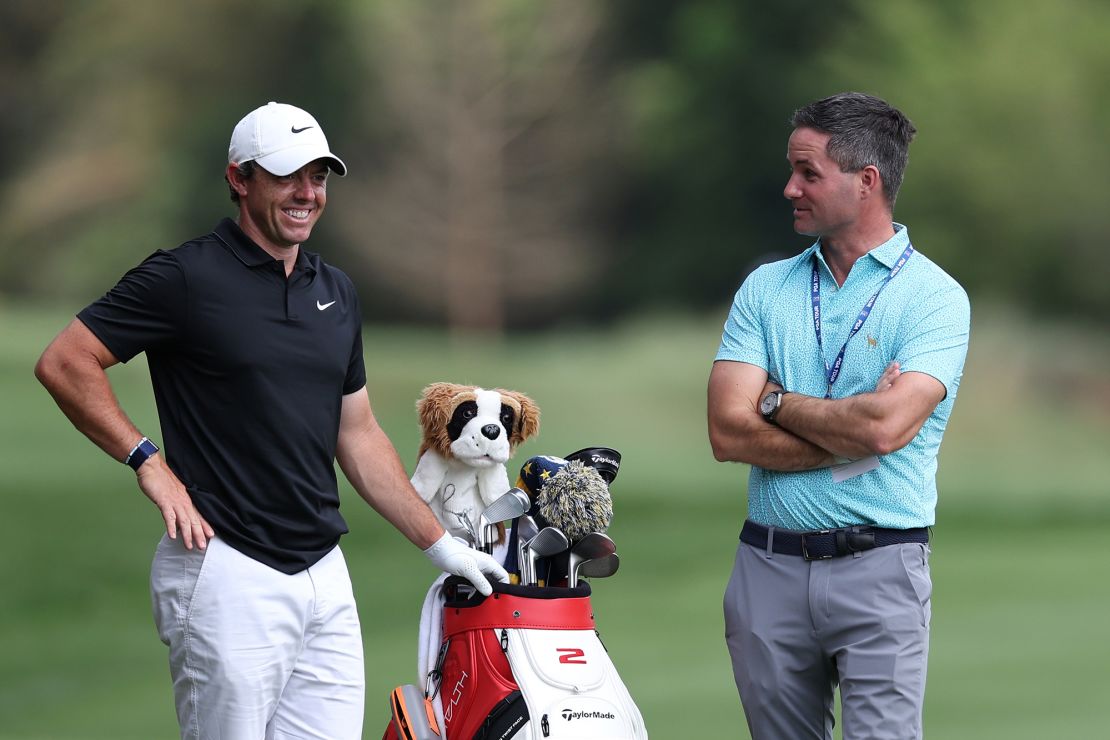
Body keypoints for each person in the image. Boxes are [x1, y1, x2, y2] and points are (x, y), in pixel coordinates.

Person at [34, 101, 508, 740]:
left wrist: (440, 543)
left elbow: (357, 433)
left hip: (322, 572)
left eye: (318, 177)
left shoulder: (335, 291)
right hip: (224, 565)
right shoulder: (185, 276)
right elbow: (67, 361)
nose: (307, 193)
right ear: (239, 178)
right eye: (288, 176)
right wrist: (148, 462)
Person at [707, 92, 970, 739]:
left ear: (867, 182)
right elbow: (725, 431)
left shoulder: (935, 299)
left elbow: (882, 428)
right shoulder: (765, 288)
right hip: (766, 569)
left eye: (808, 172)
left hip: (881, 567)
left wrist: (776, 400)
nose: (790, 187)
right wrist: (847, 430)